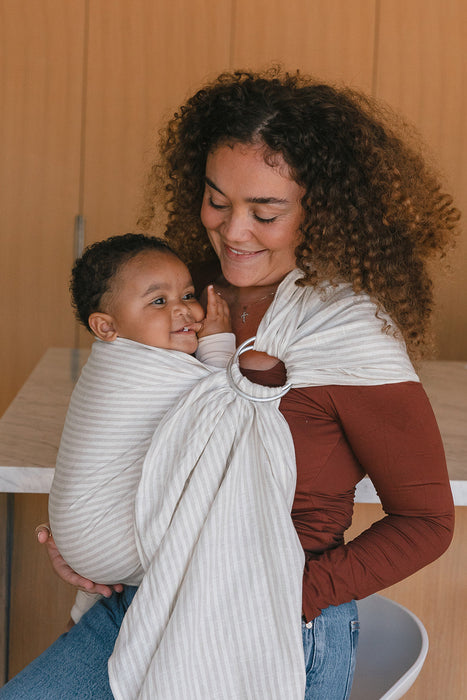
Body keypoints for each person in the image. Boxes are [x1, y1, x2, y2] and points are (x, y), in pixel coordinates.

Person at [1, 68, 459, 700]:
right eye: (218, 201)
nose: (233, 231)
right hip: (146, 602)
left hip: (275, 622)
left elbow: (428, 520)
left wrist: (287, 595)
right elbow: (121, 434)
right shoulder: (178, 299)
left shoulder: (349, 334)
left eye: (265, 212)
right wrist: (92, 546)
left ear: (317, 213)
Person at [48, 232, 235, 622]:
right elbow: (222, 408)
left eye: (187, 295)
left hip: (80, 538)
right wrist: (219, 342)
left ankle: (90, 617)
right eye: (158, 301)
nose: (185, 310)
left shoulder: (111, 363)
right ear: (106, 328)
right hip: (108, 538)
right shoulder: (146, 370)